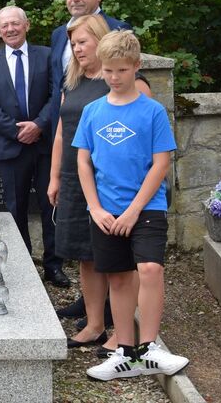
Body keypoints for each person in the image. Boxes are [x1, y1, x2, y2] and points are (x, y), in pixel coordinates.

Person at [75, 30, 189, 381]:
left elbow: (161, 163)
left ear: (136, 67)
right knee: (119, 278)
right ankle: (125, 352)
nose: (114, 77)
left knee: (150, 269)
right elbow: (83, 161)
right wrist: (95, 208)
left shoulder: (152, 111)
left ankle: (151, 348)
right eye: (108, 71)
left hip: (146, 208)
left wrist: (134, 210)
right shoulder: (92, 111)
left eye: (122, 71)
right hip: (106, 211)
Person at [48, 14, 152, 355]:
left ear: (100, 38)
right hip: (75, 179)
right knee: (84, 256)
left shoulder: (120, 80)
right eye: (73, 44)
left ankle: (121, 331)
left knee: (118, 259)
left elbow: (145, 136)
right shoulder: (72, 82)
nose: (77, 49)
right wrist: (54, 177)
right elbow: (63, 132)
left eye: (82, 42)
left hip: (111, 184)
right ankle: (94, 324)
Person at [0, 6, 67, 287]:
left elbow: (57, 94)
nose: (10, 29)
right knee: (15, 209)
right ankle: (23, 263)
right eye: (4, 26)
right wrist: (17, 131)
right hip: (11, 145)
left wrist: (39, 125)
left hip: (44, 145)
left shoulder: (47, 55)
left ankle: (54, 266)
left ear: (27, 25)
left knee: (50, 204)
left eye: (15, 23)